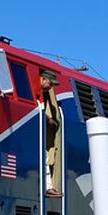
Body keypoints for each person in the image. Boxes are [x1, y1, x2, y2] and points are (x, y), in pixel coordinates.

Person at [40, 69, 63, 197]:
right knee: (44, 156)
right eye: (50, 83)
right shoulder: (38, 92)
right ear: (43, 79)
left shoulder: (43, 93)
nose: (51, 87)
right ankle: (48, 187)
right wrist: (49, 120)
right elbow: (37, 110)